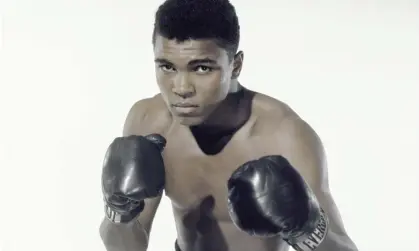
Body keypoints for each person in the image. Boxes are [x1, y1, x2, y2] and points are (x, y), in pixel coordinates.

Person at [99, 0, 359, 251]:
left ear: (235, 65)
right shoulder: (150, 121)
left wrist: (307, 228)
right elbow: (125, 247)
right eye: (167, 67)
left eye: (201, 68)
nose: (180, 89)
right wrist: (120, 212)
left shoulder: (284, 135)